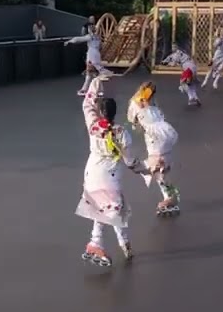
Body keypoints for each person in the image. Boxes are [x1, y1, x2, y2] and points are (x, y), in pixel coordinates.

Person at [78, 73, 142, 268]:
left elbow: (86, 104)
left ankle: (121, 244)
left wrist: (96, 82)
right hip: (109, 176)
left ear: (100, 110)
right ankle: (96, 243)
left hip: (92, 172)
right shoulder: (121, 133)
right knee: (112, 210)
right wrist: (140, 167)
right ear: (115, 113)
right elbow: (130, 160)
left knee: (107, 209)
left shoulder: (93, 125)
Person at [127, 80, 182, 217]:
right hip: (166, 132)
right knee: (160, 169)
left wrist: (138, 122)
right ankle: (169, 195)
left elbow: (132, 119)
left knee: (156, 166)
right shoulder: (153, 106)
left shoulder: (138, 102)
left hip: (156, 137)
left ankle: (169, 196)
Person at [66, 26, 106, 96]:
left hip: (91, 55)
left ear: (89, 30)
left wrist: (70, 41)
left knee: (90, 73)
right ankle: (99, 90)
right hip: (97, 54)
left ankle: (85, 90)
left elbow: (78, 39)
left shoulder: (90, 37)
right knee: (94, 73)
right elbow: (101, 47)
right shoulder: (98, 37)